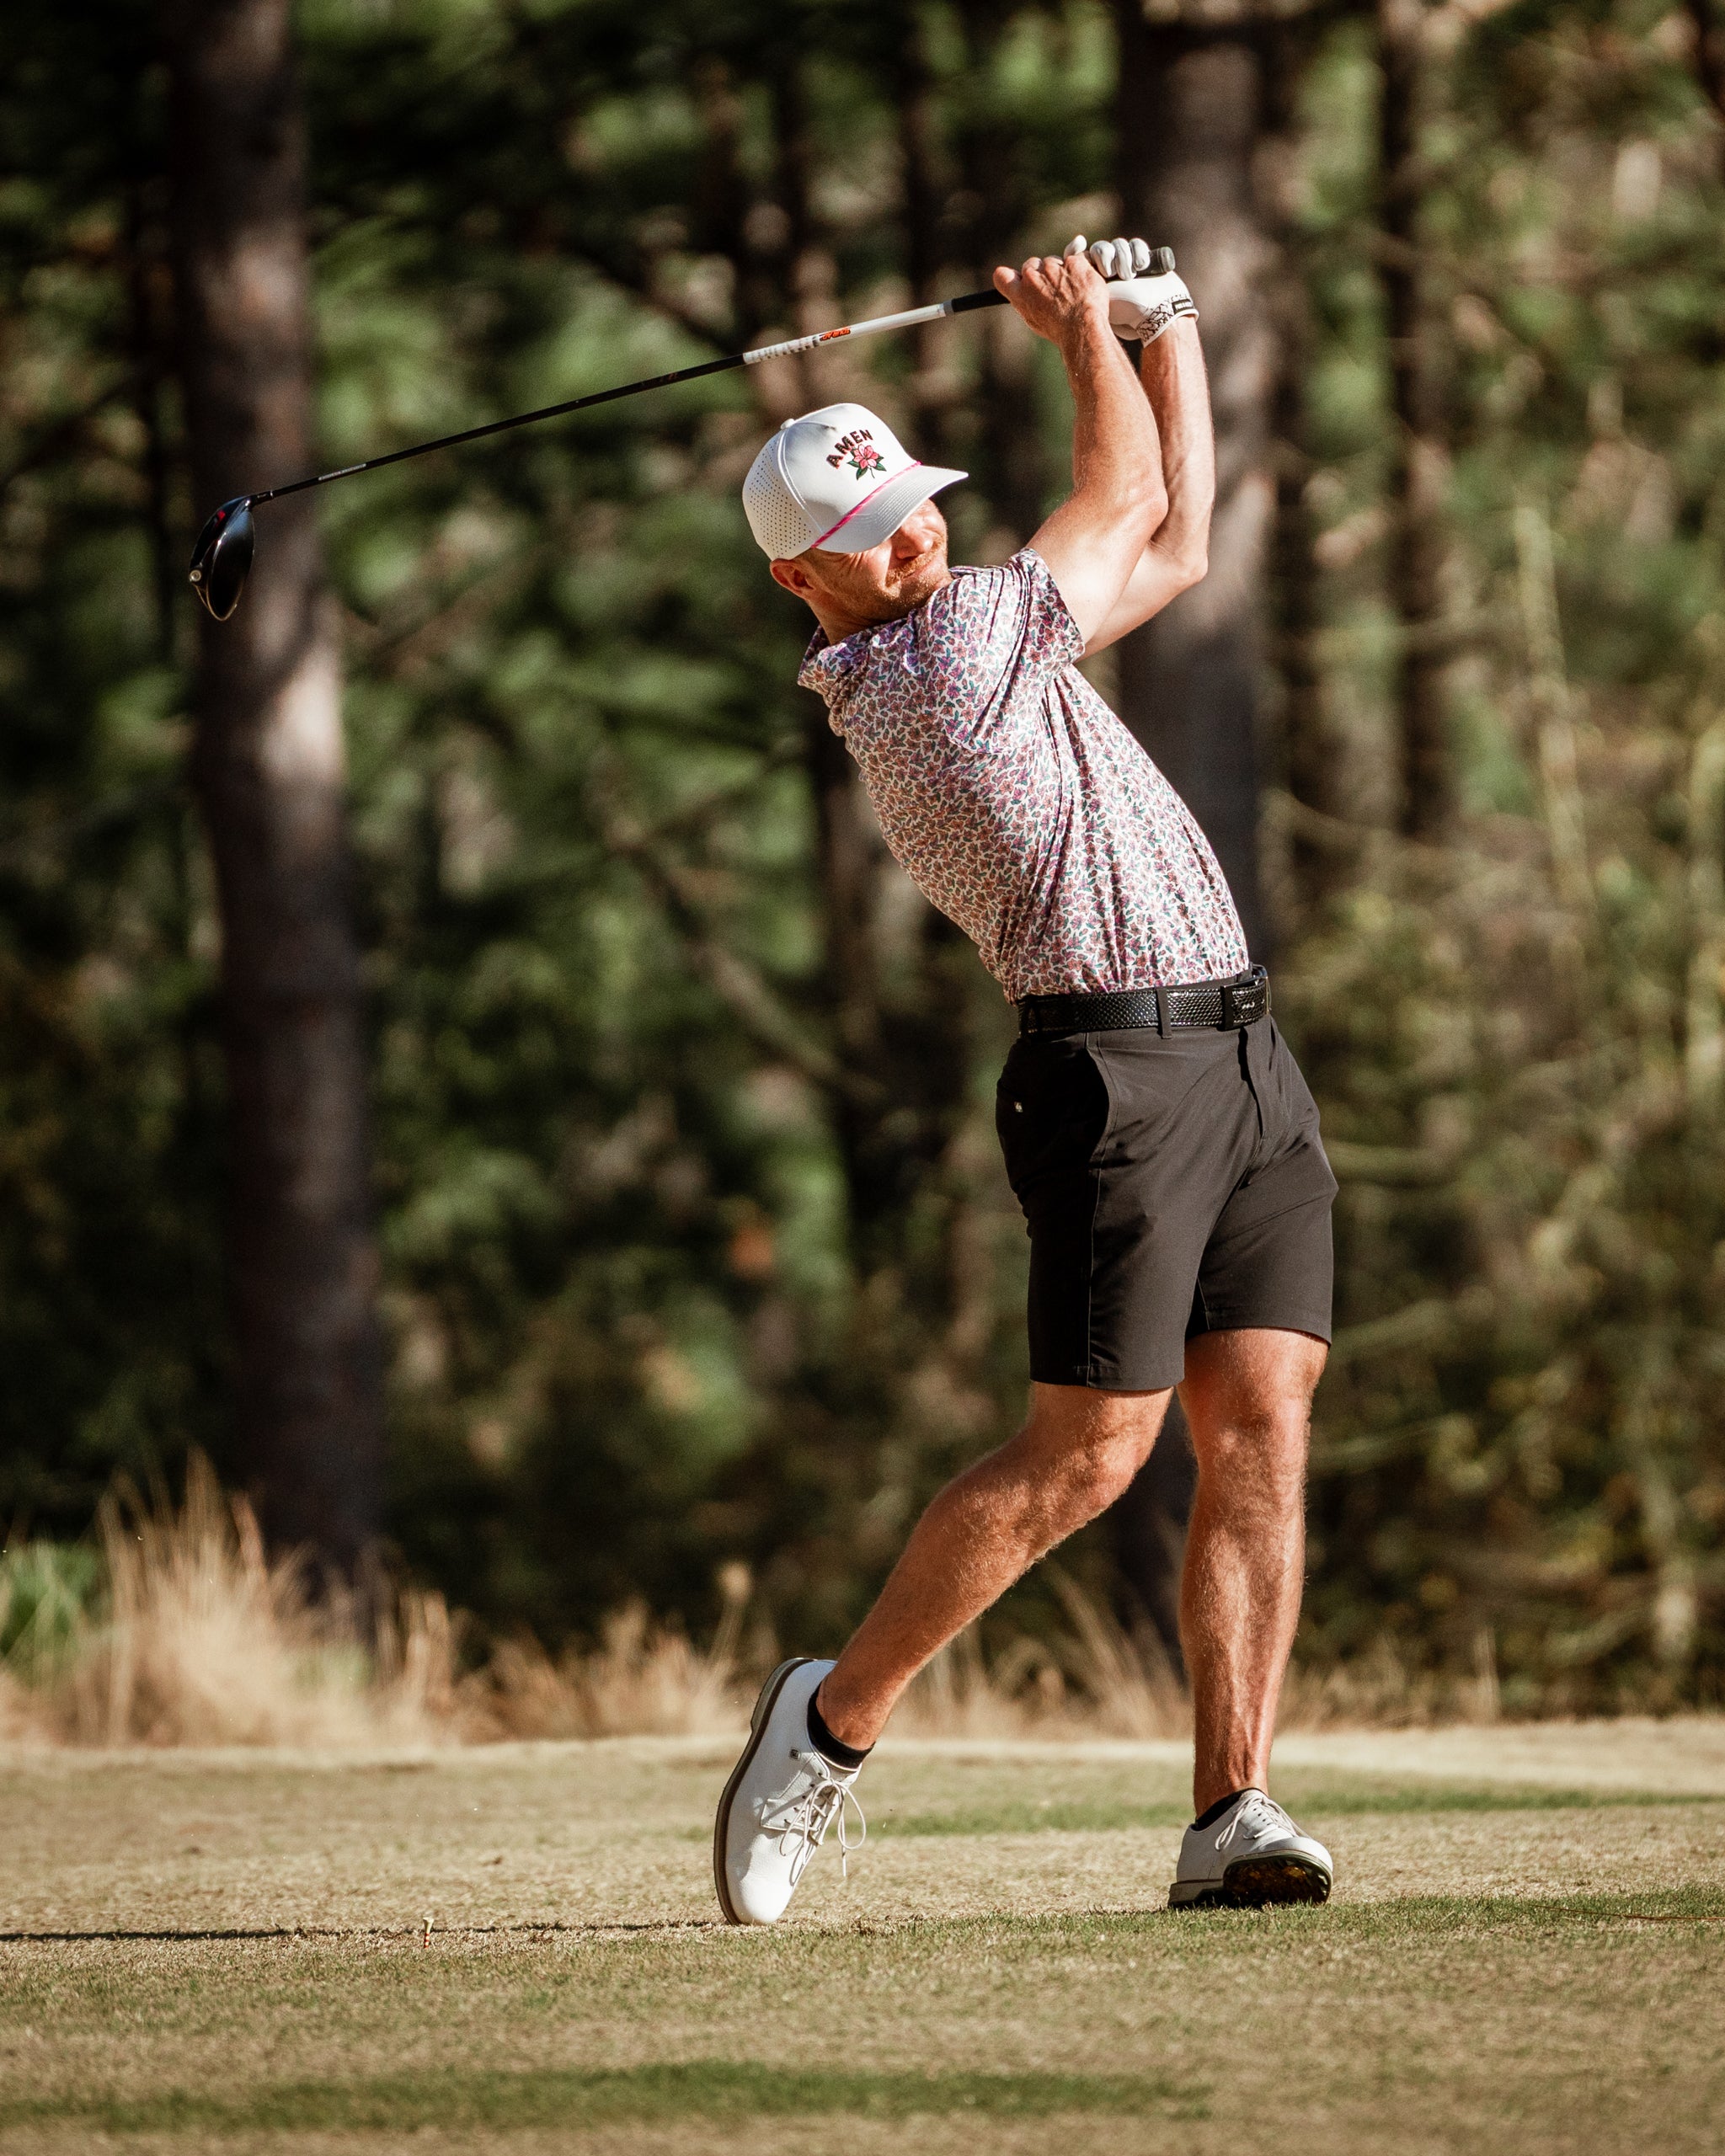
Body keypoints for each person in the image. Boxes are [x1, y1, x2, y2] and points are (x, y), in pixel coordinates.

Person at [713, 236, 1338, 1926]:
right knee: (1085, 1459)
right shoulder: (945, 661)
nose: (910, 531)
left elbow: (1182, 536)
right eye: (865, 531)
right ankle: (827, 1724)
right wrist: (1085, 332)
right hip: (1112, 1077)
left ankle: (1232, 1808)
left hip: (1238, 1049)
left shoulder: (991, 630)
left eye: (913, 503)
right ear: (805, 582)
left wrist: (1173, 325)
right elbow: (1118, 481)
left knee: (1262, 1417)